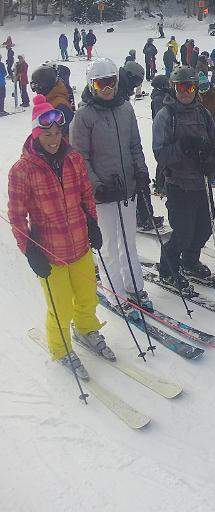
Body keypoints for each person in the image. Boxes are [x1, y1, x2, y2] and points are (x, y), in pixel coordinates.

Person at [9, 94, 114, 378]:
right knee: (60, 307)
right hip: (50, 253)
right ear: (36, 134)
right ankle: (61, 348)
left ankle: (86, 329)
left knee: (87, 296)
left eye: (57, 133)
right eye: (47, 134)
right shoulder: (22, 171)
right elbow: (16, 217)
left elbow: (86, 195)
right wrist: (29, 250)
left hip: (80, 244)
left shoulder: (73, 158)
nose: (54, 140)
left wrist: (92, 223)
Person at [71, 58, 153, 311]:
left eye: (111, 82)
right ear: (91, 85)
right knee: (108, 245)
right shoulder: (84, 116)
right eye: (101, 84)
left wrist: (141, 171)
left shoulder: (125, 108)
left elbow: (135, 145)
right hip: (103, 193)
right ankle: (115, 292)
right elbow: (80, 158)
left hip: (127, 188)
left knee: (128, 240)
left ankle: (134, 285)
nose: (107, 88)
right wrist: (96, 185)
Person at [153, 66, 215, 289]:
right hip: (179, 184)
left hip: (201, 182)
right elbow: (160, 154)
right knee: (183, 233)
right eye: (180, 87)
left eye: (189, 87)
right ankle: (168, 269)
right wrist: (182, 146)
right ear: (173, 88)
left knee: (204, 227)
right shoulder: (166, 116)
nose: (185, 92)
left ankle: (190, 261)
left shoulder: (203, 113)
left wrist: (212, 160)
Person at [29, 63, 75, 138]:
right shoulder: (51, 99)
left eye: (37, 87)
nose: (36, 92)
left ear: (44, 86)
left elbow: (61, 134)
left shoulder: (59, 106)